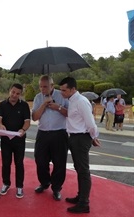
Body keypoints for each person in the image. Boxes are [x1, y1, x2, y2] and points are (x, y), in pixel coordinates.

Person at [59, 76, 101, 214]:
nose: (62, 93)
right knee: (79, 169)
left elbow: (90, 123)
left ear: (73, 89)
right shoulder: (72, 100)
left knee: (83, 171)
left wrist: (93, 137)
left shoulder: (81, 101)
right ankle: (81, 196)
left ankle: (84, 203)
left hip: (81, 138)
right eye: (61, 90)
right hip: (75, 137)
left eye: (64, 90)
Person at [32, 75, 69, 201]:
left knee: (59, 162)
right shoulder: (38, 97)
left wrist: (57, 107)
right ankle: (44, 182)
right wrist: (43, 105)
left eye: (45, 86)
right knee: (40, 160)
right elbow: (34, 117)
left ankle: (57, 187)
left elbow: (70, 113)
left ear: (52, 86)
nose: (43, 89)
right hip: (42, 132)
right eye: (41, 86)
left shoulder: (62, 96)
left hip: (59, 133)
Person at [0, 83, 31, 199]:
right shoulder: (2, 105)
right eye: (13, 92)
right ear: (9, 90)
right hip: (5, 139)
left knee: (19, 163)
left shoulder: (24, 105)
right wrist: (0, 126)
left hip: (19, 139)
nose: (14, 95)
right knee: (6, 163)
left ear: (21, 94)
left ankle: (19, 186)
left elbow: (27, 121)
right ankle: (6, 183)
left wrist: (23, 129)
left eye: (17, 93)